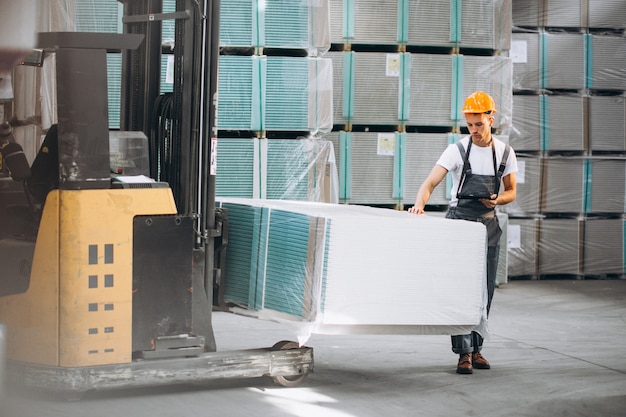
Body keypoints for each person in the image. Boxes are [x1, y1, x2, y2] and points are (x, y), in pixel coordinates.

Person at [408, 91, 518, 374]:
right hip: (459, 223)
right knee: (460, 289)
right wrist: (419, 205)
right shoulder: (456, 150)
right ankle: (463, 354)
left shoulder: (505, 153)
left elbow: (512, 192)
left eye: (479, 124)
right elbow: (430, 183)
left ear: (491, 119)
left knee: (485, 289)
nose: (474, 130)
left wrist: (497, 200)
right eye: (469, 125)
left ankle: (478, 348)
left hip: (489, 225)